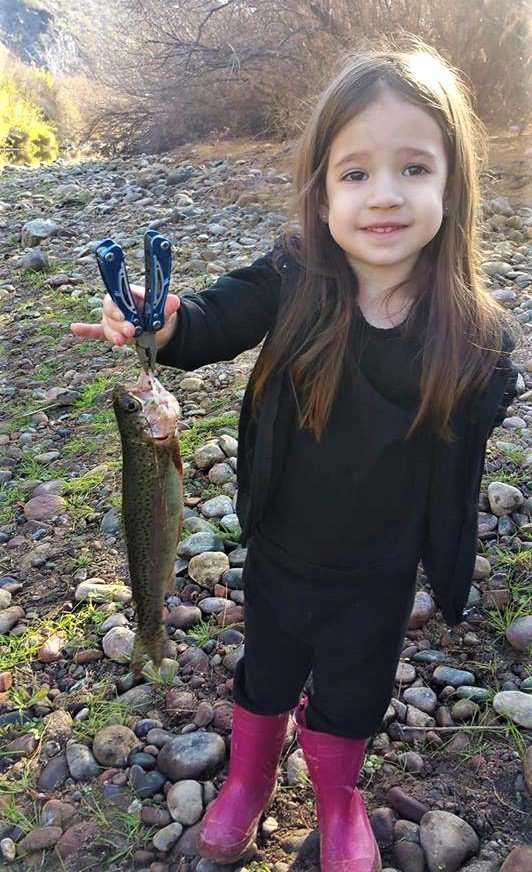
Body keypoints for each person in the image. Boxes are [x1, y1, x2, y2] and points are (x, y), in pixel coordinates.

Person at [72, 39, 521, 872]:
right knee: (268, 670)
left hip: (383, 567)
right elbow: (213, 318)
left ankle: (337, 796)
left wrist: (496, 376)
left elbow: (467, 445)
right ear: (320, 193)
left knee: (355, 686)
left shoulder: (472, 332)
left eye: (414, 168)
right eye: (354, 173)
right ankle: (248, 776)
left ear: (453, 185)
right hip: (282, 545)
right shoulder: (294, 274)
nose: (383, 194)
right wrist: (163, 323)